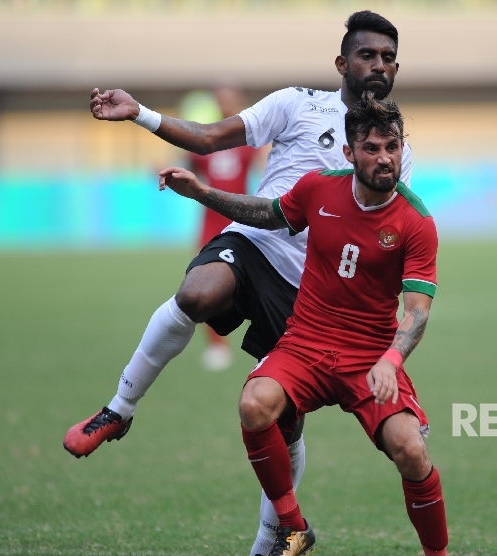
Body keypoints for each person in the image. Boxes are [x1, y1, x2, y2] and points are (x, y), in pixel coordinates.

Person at [62, 11, 412, 556]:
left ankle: (273, 537)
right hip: (254, 241)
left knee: (282, 423)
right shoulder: (297, 103)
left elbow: (381, 239)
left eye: (389, 58)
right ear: (343, 63)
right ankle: (118, 410)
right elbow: (208, 138)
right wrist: (142, 115)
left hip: (308, 294)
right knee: (197, 293)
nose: (379, 65)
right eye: (368, 55)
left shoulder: (393, 150)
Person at [160, 92, 447, 556]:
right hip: (307, 341)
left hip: (370, 354)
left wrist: (392, 361)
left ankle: (439, 554)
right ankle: (293, 528)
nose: (384, 158)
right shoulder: (319, 188)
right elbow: (268, 215)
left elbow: (416, 311)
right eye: (371, 149)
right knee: (254, 405)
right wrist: (202, 194)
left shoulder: (417, 222)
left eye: (392, 147)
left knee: (411, 452)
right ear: (349, 153)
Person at [186, 86, 260, 371]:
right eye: (221, 100)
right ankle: (217, 347)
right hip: (210, 223)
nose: (225, 104)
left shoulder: (249, 141)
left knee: (255, 285)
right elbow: (189, 168)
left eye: (230, 99)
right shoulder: (204, 142)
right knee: (203, 284)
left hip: (242, 222)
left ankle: (265, 344)